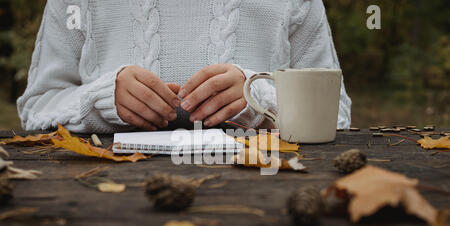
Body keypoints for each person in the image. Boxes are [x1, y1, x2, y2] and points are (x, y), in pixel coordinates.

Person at [17, 0, 351, 134]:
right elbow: (37, 107)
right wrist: (101, 99)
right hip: (97, 199)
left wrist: (257, 99)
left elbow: (335, 115)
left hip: (266, 188)